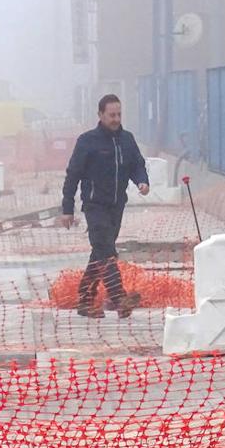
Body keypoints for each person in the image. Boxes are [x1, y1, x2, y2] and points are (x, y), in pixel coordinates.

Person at [60, 94, 150, 319]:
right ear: (100, 115)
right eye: (111, 115)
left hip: (117, 206)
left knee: (100, 253)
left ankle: (86, 301)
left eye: (119, 114)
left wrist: (142, 181)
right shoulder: (87, 141)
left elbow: (137, 164)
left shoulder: (127, 140)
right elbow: (73, 174)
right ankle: (119, 297)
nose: (116, 119)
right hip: (95, 206)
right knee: (107, 252)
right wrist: (67, 207)